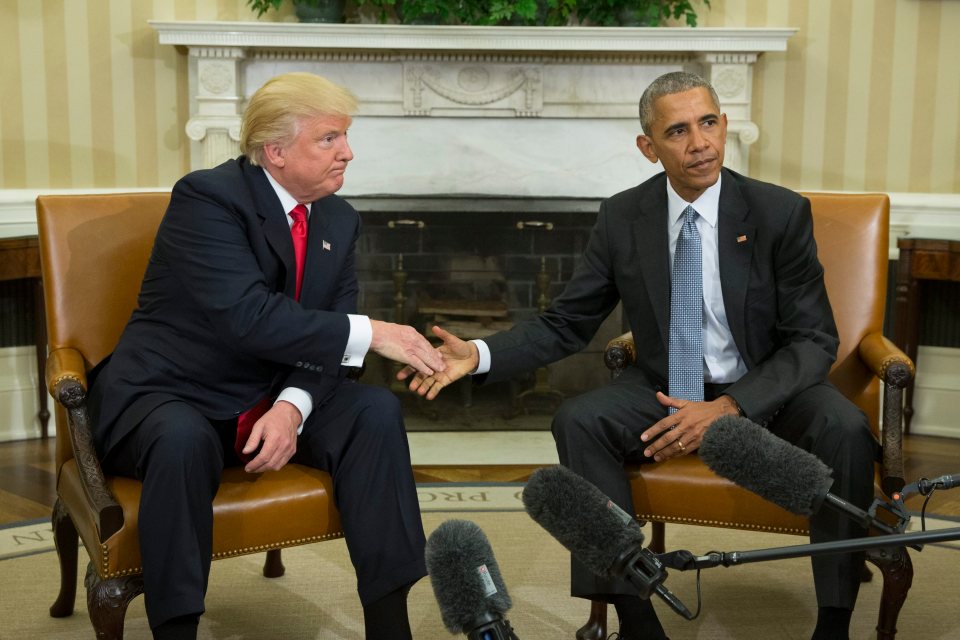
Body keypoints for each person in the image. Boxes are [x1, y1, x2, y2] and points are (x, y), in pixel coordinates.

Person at [403, 71, 878, 640]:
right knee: (578, 419)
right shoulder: (623, 217)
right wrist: (477, 355)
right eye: (678, 131)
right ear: (648, 147)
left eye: (708, 123)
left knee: (845, 427)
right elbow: (567, 322)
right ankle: (635, 614)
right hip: (663, 391)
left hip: (769, 389)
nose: (699, 142)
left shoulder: (778, 213)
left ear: (725, 126)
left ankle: (835, 619)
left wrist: (731, 406)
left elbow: (813, 339)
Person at [87, 72, 444, 640]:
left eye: (345, 137)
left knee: (374, 413)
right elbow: (248, 317)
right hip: (174, 391)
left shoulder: (338, 218)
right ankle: (176, 629)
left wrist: (293, 407)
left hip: (268, 393)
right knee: (182, 441)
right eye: (329, 139)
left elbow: (326, 332)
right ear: (274, 152)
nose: (347, 152)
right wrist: (374, 332)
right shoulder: (207, 198)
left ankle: (389, 623)